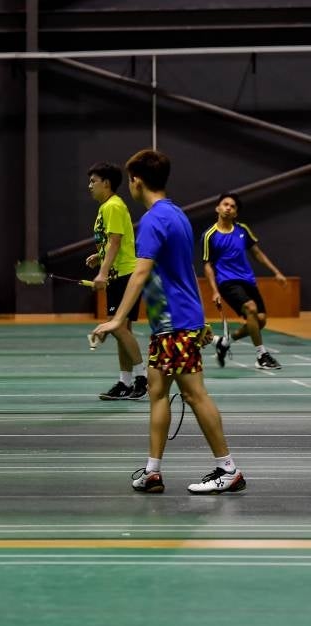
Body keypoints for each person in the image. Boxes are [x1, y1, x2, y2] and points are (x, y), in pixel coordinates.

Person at [92, 150, 245, 495]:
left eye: (130, 179)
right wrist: (200, 317)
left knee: (194, 395)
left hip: (175, 323)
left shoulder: (152, 221)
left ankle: (228, 468)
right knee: (158, 392)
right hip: (171, 322)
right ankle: (152, 471)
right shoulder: (176, 214)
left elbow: (141, 271)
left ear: (137, 181)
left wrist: (117, 320)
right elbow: (183, 272)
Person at [202, 192, 287, 370]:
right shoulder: (209, 235)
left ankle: (225, 342)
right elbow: (208, 265)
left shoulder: (242, 230)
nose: (228, 208)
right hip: (226, 282)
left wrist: (276, 272)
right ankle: (261, 355)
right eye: (225, 204)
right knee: (251, 308)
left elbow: (257, 253)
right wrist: (215, 290)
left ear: (236, 213)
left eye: (232, 207)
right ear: (217, 208)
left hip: (247, 280)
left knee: (260, 320)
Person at [84, 162, 147, 401]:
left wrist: (102, 271)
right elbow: (112, 242)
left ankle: (141, 379)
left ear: (106, 183)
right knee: (122, 329)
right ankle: (125, 382)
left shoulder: (112, 206)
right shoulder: (107, 207)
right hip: (119, 272)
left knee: (118, 327)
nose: (90, 186)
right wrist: (98, 256)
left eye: (93, 181)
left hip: (124, 274)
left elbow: (116, 241)